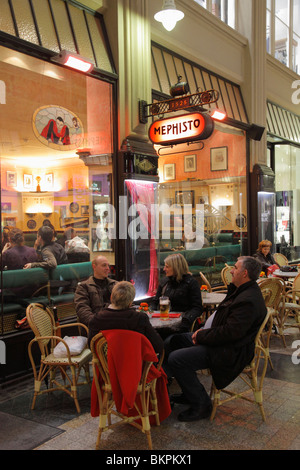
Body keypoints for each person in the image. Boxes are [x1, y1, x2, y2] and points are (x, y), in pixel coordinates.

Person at [166, 256, 267, 422]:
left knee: (176, 358)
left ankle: (202, 404)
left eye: (235, 267)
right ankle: (189, 392)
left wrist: (201, 335)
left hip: (229, 351)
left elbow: (230, 333)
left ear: (245, 273)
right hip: (216, 340)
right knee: (173, 341)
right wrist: (202, 331)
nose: (231, 270)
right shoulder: (240, 290)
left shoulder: (248, 300)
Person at [88, 281, 163, 355]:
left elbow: (92, 347)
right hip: (136, 364)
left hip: (106, 366)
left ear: (111, 298)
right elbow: (158, 346)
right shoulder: (139, 318)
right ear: (130, 302)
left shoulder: (97, 319)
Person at [150, 253, 202, 337]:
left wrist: (186, 320)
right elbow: (155, 302)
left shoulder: (191, 283)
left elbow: (197, 308)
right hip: (163, 322)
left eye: (167, 267)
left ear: (176, 267)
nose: (164, 269)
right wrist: (150, 311)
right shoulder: (164, 282)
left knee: (165, 341)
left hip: (181, 326)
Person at [74, 255, 117, 327]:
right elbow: (82, 310)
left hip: (116, 325)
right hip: (96, 327)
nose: (108, 269)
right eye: (104, 265)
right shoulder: (83, 287)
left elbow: (125, 305)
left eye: (108, 266)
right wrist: (98, 323)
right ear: (94, 267)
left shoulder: (115, 285)